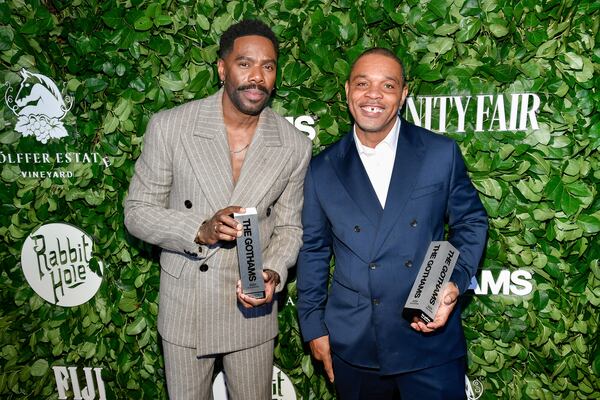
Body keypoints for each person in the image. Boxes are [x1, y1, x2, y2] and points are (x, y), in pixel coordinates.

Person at [124, 19, 311, 400]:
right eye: (245, 63)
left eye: (268, 66)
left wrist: (273, 271)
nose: (256, 76)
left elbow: (290, 227)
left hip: (252, 310)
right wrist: (199, 228)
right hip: (187, 305)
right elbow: (137, 211)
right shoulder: (171, 127)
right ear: (222, 68)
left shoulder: (293, 145)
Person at [296, 48, 488, 400]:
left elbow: (471, 222)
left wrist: (454, 283)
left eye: (387, 86)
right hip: (354, 343)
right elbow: (314, 251)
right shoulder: (322, 168)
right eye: (362, 84)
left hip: (429, 337)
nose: (373, 95)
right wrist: (313, 327)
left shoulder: (438, 152)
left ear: (403, 94)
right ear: (347, 91)